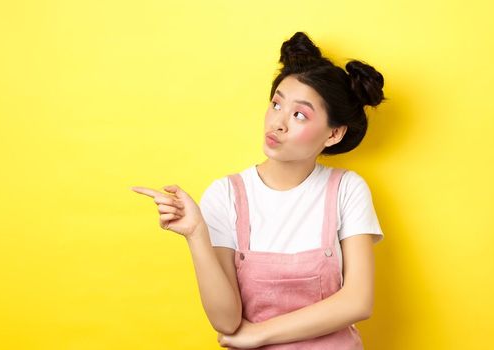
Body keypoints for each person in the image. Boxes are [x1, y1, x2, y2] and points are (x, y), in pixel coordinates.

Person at [131, 32, 385, 349]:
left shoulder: (346, 189)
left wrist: (261, 333)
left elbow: (357, 302)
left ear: (333, 134)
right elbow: (226, 321)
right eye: (276, 104)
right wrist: (196, 233)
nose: (278, 123)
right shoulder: (226, 194)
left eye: (299, 115)